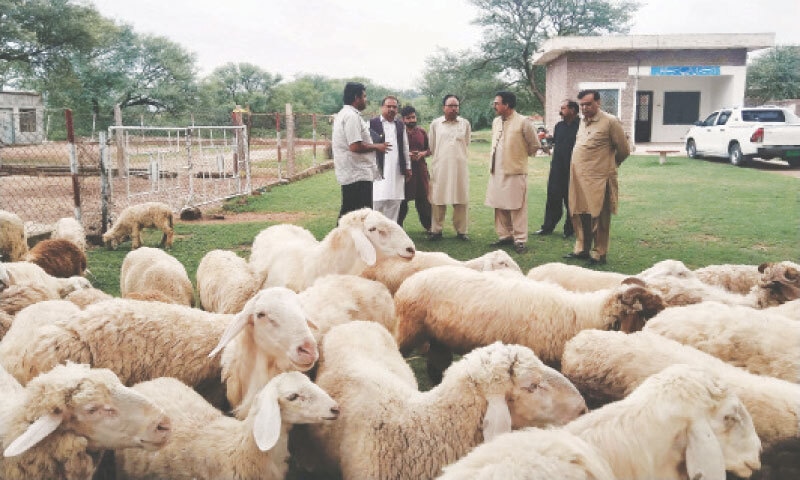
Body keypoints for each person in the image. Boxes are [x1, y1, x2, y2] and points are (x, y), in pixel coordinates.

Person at [564, 89, 630, 266]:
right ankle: (582, 249)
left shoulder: (610, 121)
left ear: (598, 102)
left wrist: (610, 165)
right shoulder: (582, 122)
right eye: (582, 105)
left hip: (599, 178)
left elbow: (624, 150)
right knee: (579, 213)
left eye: (588, 104)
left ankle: (599, 253)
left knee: (599, 216)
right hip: (578, 178)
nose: (585, 108)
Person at [485, 91, 540, 254]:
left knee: (517, 206)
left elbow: (534, 144)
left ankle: (520, 239)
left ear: (506, 105)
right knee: (499, 204)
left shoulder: (523, 121)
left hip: (515, 170)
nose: (494, 106)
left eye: (497, 103)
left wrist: (520, 156)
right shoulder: (496, 121)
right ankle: (505, 236)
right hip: (497, 170)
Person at [332, 82, 391, 219]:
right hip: (356, 175)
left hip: (355, 173)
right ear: (356, 97)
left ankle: (343, 239)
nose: (366, 99)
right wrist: (378, 146)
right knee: (357, 217)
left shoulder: (346, 114)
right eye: (364, 96)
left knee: (351, 215)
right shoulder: (351, 116)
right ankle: (338, 239)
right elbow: (355, 146)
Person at [427, 94, 471, 241]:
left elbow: (467, 143)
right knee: (438, 199)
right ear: (443, 107)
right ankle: (436, 231)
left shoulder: (465, 123)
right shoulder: (436, 124)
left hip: (460, 167)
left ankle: (461, 231)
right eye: (450, 106)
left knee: (461, 199)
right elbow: (432, 146)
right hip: (441, 167)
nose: (453, 109)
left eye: (456, 106)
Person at [533, 100, 580, 238]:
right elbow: (555, 143)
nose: (561, 111)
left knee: (571, 200)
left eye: (563, 108)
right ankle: (547, 227)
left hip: (573, 169)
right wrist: (546, 139)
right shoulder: (559, 126)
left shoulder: (582, 126)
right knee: (553, 198)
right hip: (557, 169)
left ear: (572, 110)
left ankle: (569, 230)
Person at [370, 96, 411, 223]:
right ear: (382, 107)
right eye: (389, 106)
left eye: (394, 107)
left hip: (397, 171)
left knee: (394, 203)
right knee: (375, 204)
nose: (392, 109)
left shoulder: (400, 125)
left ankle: (390, 236)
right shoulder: (372, 123)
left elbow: (405, 147)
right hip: (378, 170)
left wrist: (408, 167)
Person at [398, 105, 432, 232]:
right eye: (408, 118)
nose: (412, 120)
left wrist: (422, 154)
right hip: (405, 173)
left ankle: (429, 227)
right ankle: (398, 227)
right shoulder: (399, 133)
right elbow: (394, 152)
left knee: (424, 200)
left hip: (421, 171)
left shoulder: (422, 132)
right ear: (403, 119)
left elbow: (430, 149)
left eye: (413, 117)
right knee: (402, 201)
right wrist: (407, 155)